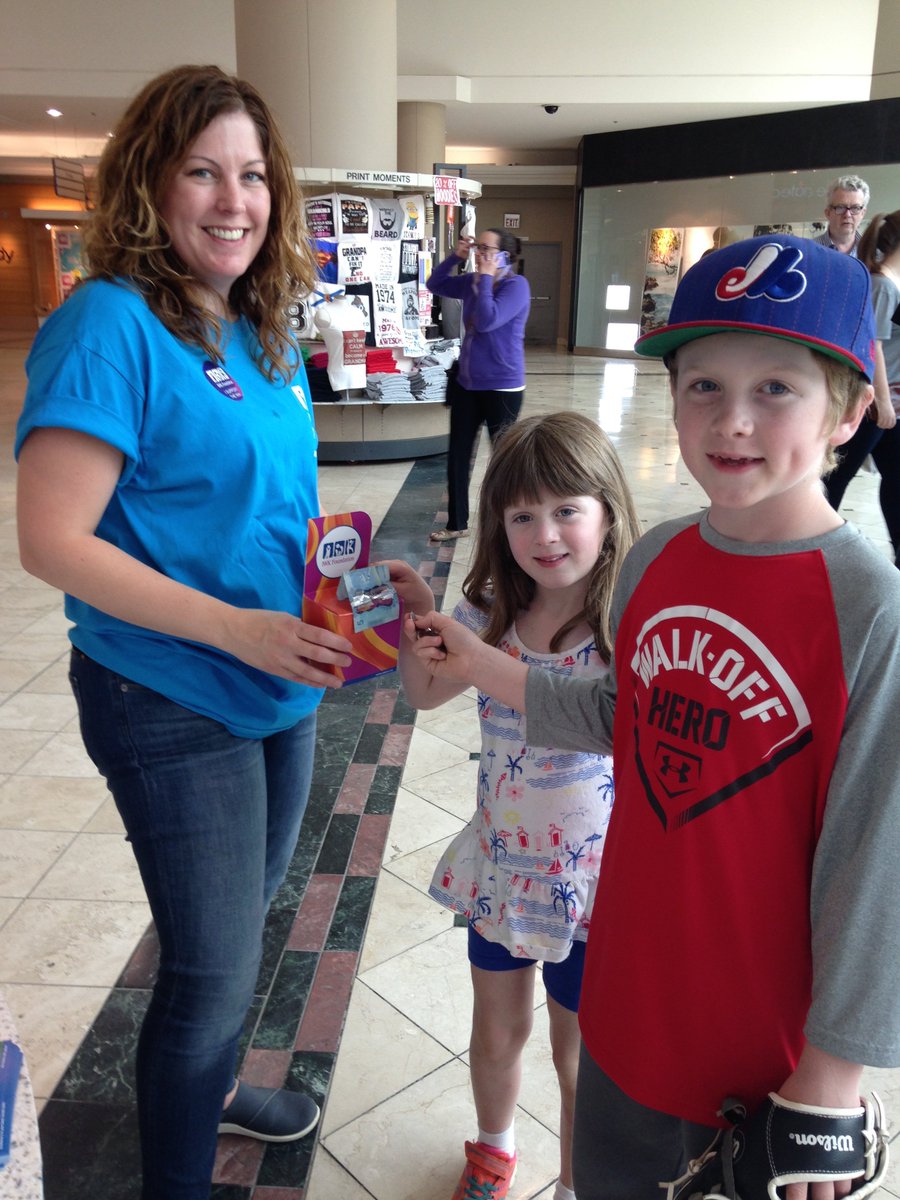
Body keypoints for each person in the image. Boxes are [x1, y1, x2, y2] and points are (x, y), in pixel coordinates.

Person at [410, 235, 900, 1199]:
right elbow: (613, 712)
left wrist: (832, 1077)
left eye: (778, 389)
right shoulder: (656, 561)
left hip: (759, 1042)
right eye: (704, 386)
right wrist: (476, 659)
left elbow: (877, 854)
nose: (734, 420)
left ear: (849, 410)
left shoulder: (866, 603)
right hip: (626, 990)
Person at [15, 65, 354, 1200]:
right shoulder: (108, 322)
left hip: (277, 685)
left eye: (252, 174)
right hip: (166, 691)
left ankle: (208, 1084)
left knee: (236, 932)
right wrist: (236, 630)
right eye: (202, 171)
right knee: (207, 972)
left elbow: (266, 503)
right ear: (148, 184)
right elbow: (53, 541)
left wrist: (349, 585)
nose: (233, 199)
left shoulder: (258, 322)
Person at [391, 411, 640, 1200]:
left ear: (607, 510)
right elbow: (427, 695)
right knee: (497, 1032)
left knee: (578, 1053)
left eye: (568, 509)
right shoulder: (487, 614)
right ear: (499, 523)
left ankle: (576, 1179)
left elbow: (619, 734)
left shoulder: (623, 628)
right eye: (523, 514)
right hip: (501, 870)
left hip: (593, 889)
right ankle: (493, 1152)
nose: (547, 533)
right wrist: (418, 625)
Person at [426, 229, 531, 542]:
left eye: (486, 248)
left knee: (502, 461)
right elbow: (435, 284)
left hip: (502, 387)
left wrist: (484, 279)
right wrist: (455, 258)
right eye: (476, 247)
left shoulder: (517, 286)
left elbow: (487, 320)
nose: (478, 253)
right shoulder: (473, 281)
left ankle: (505, 526)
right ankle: (457, 523)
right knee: (457, 455)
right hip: (467, 385)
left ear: (504, 256)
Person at [825, 210, 900, 565]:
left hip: (891, 403)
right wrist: (883, 402)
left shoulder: (891, 282)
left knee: (897, 477)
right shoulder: (882, 284)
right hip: (877, 404)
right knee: (836, 476)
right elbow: (875, 347)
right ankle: (808, 542)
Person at [813, 174, 870, 256]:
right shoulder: (810, 251)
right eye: (840, 207)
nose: (847, 215)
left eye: (855, 208)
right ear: (828, 213)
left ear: (863, 213)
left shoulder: (873, 253)